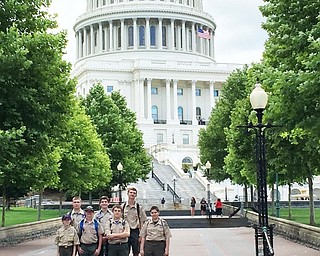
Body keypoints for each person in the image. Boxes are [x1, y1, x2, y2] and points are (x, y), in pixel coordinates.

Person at [122, 187, 147, 256]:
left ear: (136, 195)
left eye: (134, 193)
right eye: (131, 192)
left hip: (135, 231)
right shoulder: (122, 206)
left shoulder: (139, 207)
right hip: (125, 232)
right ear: (127, 194)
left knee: (136, 252)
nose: (132, 194)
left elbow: (142, 222)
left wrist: (141, 235)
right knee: (124, 252)